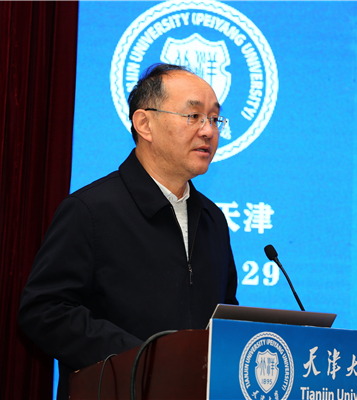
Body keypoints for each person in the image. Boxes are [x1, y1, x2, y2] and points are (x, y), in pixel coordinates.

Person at [18, 63, 239, 399]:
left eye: (214, 118)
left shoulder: (213, 220)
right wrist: (143, 359)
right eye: (193, 116)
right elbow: (44, 310)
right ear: (144, 123)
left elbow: (224, 316)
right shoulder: (90, 210)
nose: (208, 131)